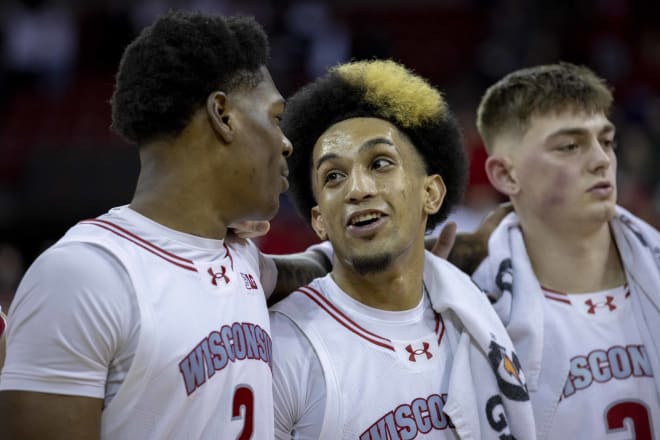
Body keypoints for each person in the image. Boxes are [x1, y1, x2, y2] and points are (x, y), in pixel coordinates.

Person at [0, 11, 308, 439]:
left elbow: (312, 269)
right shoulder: (86, 275)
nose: (287, 141)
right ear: (223, 114)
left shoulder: (241, 259)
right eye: (275, 117)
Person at [269, 59, 536, 439]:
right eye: (334, 176)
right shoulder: (285, 348)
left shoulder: (480, 318)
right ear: (319, 221)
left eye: (380, 163)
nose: (358, 189)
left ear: (431, 193)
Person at [473, 62, 660, 439]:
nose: (601, 160)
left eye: (606, 141)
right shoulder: (474, 313)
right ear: (506, 175)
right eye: (570, 146)